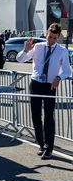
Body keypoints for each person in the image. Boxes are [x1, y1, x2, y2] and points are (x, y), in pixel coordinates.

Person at [16, 23, 72, 160]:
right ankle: (41, 144)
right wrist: (25, 50)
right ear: (46, 34)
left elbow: (67, 70)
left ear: (58, 37)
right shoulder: (38, 47)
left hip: (50, 86)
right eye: (49, 37)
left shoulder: (62, 51)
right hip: (36, 83)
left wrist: (59, 77)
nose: (51, 40)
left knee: (48, 117)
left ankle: (49, 147)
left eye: (54, 38)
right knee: (35, 115)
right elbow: (20, 59)